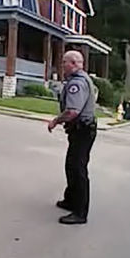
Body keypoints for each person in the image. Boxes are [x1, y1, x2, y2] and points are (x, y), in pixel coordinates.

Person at [47, 50, 99, 225]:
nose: (62, 66)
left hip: (82, 130)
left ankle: (80, 212)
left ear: (74, 64)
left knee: (78, 169)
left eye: (64, 62)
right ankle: (70, 200)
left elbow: (72, 111)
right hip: (82, 129)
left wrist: (56, 121)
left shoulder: (77, 83)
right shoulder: (81, 79)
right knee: (71, 165)